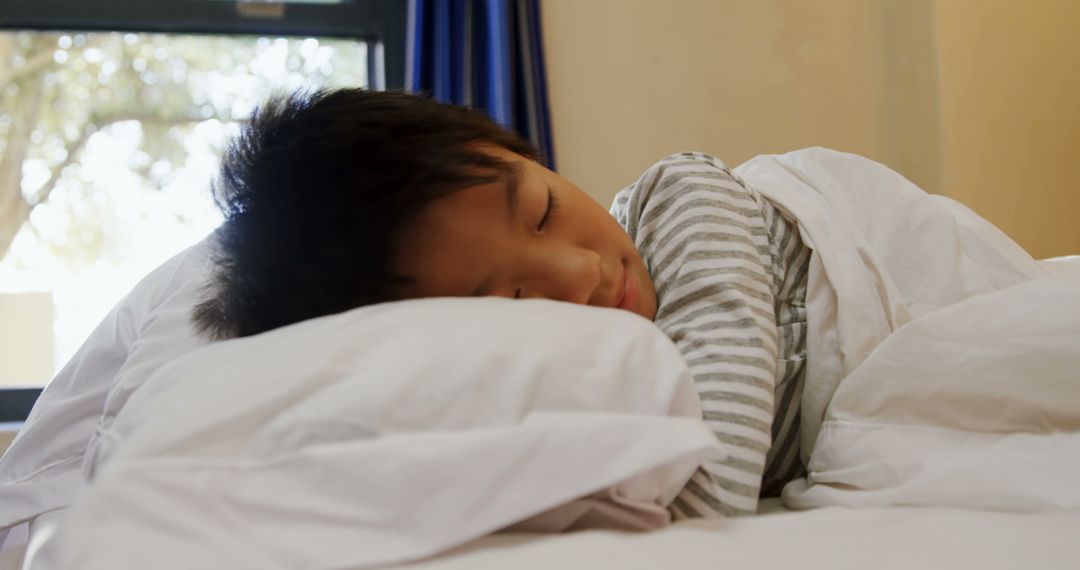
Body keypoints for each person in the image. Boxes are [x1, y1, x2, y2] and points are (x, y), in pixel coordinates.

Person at [195, 87, 811, 517]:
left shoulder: (685, 198)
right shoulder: (550, 394)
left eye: (544, 210)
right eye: (513, 302)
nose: (581, 273)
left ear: (528, 156)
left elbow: (709, 488)